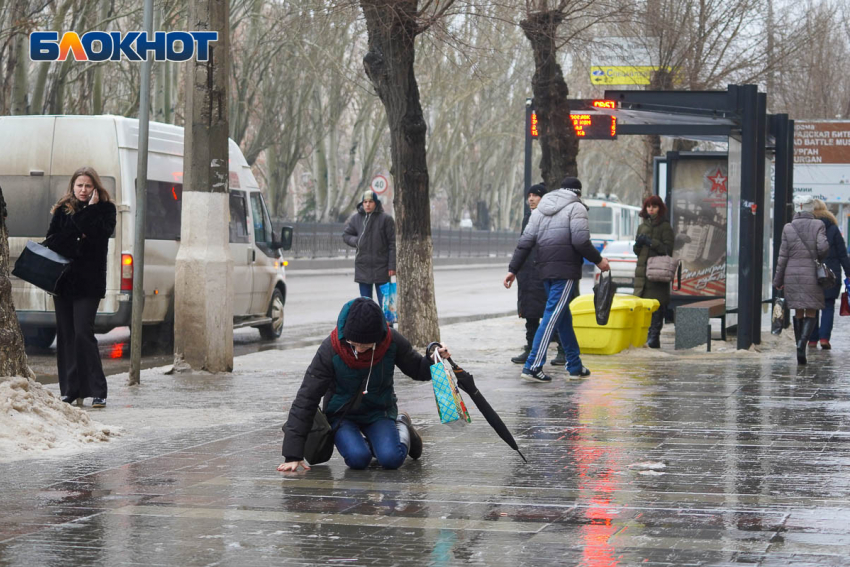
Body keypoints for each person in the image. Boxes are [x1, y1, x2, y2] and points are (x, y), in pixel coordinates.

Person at [279, 297, 449, 472]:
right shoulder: (331, 349)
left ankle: (402, 424)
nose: (360, 349)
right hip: (342, 415)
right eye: (354, 344)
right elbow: (307, 398)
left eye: (367, 345)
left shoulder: (391, 341)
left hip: (378, 411)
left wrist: (434, 359)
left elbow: (417, 370)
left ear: (379, 338)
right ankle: (371, 443)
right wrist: (293, 454)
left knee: (391, 459)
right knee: (358, 459)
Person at [503, 176, 610, 382]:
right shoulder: (576, 207)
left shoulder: (541, 209)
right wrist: (599, 261)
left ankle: (575, 365)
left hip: (544, 269)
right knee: (552, 316)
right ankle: (533, 365)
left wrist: (512, 269)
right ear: (578, 192)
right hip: (565, 270)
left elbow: (525, 242)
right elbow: (581, 241)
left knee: (562, 317)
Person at [45, 166, 116, 407]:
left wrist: (88, 215)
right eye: (79, 185)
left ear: (95, 187)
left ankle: (98, 390)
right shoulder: (62, 209)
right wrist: (78, 239)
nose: (83, 190)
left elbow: (99, 237)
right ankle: (70, 389)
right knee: (66, 335)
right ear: (72, 186)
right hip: (63, 282)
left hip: (89, 283)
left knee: (83, 334)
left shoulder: (105, 210)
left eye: (87, 185)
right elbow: (53, 241)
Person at [512, 184, 565, 366]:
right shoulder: (528, 217)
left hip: (545, 270)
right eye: (529, 195)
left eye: (536, 195)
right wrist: (514, 269)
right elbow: (523, 244)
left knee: (551, 313)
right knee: (530, 313)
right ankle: (530, 349)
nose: (531, 199)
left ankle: (562, 350)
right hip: (527, 272)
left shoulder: (552, 216)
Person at [773, 194, 829, 365]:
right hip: (811, 273)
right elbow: (823, 247)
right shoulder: (818, 224)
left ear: (797, 208)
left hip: (792, 275)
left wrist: (778, 280)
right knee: (811, 309)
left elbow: (782, 257)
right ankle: (802, 343)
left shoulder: (788, 228)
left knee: (798, 309)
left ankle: (800, 346)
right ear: (811, 208)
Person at [633, 195, 675, 349]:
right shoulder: (642, 226)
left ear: (660, 208)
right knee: (643, 307)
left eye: (654, 206)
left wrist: (651, 242)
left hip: (657, 273)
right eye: (648, 206)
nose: (651, 209)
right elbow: (637, 251)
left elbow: (668, 250)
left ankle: (654, 336)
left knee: (656, 307)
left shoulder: (665, 226)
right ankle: (645, 337)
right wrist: (638, 244)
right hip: (642, 272)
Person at [342, 190, 396, 307]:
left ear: (376, 203)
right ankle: (369, 324)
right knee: (366, 304)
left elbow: (392, 243)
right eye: (365, 202)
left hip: (382, 267)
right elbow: (346, 235)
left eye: (370, 202)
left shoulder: (386, 219)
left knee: (385, 304)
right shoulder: (356, 219)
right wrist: (356, 241)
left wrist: (392, 266)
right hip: (363, 267)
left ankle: (386, 324)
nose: (367, 204)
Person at [808, 199, 850, 349]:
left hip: (811, 272)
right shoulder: (833, 229)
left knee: (812, 307)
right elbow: (842, 254)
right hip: (831, 274)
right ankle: (824, 338)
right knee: (828, 305)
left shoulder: (807, 228)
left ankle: (812, 340)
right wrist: (848, 273)